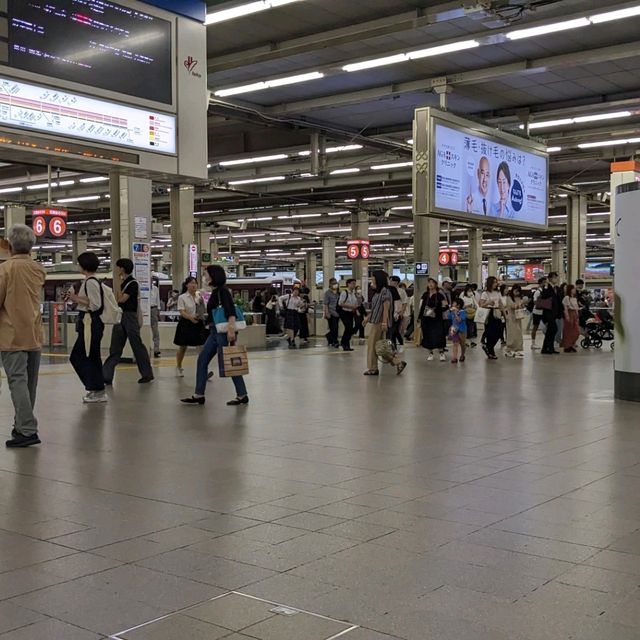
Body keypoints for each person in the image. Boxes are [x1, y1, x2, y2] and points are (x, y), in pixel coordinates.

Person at [0, 224, 46, 447]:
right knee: (29, 384)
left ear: (8, 245)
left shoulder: (5, 270)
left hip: (12, 335)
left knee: (17, 382)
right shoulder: (38, 269)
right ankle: (21, 427)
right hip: (34, 333)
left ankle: (27, 429)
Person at [181, 265, 248, 406]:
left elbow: (231, 312)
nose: (204, 278)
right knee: (203, 359)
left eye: (206, 275)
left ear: (213, 276)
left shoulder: (222, 291)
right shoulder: (216, 292)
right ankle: (199, 394)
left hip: (222, 333)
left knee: (229, 361)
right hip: (213, 332)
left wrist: (230, 329)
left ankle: (242, 394)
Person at [103, 258, 154, 384]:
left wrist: (116, 288)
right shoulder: (124, 282)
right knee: (115, 347)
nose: (116, 270)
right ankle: (106, 376)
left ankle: (147, 373)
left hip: (129, 317)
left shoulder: (132, 283)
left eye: (118, 267)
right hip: (122, 317)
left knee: (137, 345)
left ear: (122, 268)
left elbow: (121, 300)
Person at [67, 252, 108, 403]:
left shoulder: (90, 282)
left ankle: (97, 389)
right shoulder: (90, 281)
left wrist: (74, 298)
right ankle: (94, 387)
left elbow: (95, 304)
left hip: (91, 322)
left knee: (84, 356)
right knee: (88, 355)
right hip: (89, 322)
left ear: (84, 265)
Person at [363, 271, 406, 376]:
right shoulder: (378, 292)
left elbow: (386, 308)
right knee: (382, 347)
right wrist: (368, 318)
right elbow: (376, 308)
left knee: (372, 346)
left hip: (380, 323)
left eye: (373, 277)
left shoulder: (385, 291)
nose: (372, 279)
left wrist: (384, 322)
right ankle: (398, 362)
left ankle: (373, 368)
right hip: (376, 321)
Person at [174, 276, 207, 376]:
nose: (194, 285)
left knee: (201, 347)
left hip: (198, 323)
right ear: (187, 285)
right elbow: (181, 311)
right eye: (191, 283)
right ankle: (179, 366)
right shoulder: (182, 297)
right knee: (183, 347)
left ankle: (203, 369)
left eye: (195, 283)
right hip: (186, 323)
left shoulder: (199, 296)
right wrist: (190, 317)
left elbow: (203, 309)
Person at [418, 277, 448, 361]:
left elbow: (446, 306)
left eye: (432, 282)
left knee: (439, 335)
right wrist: (419, 318)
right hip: (426, 319)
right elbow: (421, 307)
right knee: (427, 336)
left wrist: (436, 310)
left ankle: (441, 353)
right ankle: (430, 353)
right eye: (429, 283)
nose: (430, 284)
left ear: (436, 284)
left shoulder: (440, 295)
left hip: (437, 319)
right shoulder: (425, 294)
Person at [480, 276, 502, 360]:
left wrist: (504, 313)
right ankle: (491, 352)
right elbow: (481, 305)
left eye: (496, 282)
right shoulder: (485, 293)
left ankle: (487, 347)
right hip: (489, 313)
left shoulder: (498, 293)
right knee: (490, 333)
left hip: (497, 312)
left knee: (499, 331)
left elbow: (500, 304)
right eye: (494, 282)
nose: (496, 284)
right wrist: (488, 302)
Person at [540, 272, 561, 355]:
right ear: (550, 278)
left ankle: (548, 348)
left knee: (551, 330)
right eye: (554, 277)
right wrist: (546, 286)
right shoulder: (547, 287)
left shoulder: (556, 288)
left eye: (556, 277)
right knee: (553, 329)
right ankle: (547, 348)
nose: (556, 279)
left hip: (554, 312)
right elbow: (544, 296)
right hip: (548, 312)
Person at [504, 284, 525, 358]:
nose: (516, 293)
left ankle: (518, 349)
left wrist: (522, 304)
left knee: (519, 333)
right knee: (512, 334)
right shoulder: (509, 298)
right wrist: (518, 305)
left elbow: (521, 305)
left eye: (518, 291)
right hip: (511, 318)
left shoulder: (520, 298)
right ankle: (509, 349)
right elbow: (512, 306)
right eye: (515, 291)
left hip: (518, 317)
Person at [338, 278, 358, 351]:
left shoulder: (353, 294)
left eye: (355, 283)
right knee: (348, 327)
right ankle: (344, 342)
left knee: (349, 328)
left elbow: (355, 304)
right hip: (344, 312)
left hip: (351, 313)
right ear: (348, 284)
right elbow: (340, 303)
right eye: (352, 283)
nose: (354, 285)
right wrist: (351, 306)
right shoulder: (344, 292)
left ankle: (346, 344)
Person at [388, 276, 406, 352]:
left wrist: (401, 312)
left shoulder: (401, 291)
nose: (390, 282)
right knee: (391, 332)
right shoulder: (388, 290)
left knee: (395, 330)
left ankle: (401, 344)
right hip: (390, 314)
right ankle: (394, 348)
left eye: (391, 281)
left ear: (396, 282)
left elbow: (404, 303)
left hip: (398, 314)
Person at [447, 298, 467, 364]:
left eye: (454, 303)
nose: (452, 304)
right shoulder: (452, 311)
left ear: (458, 305)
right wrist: (449, 311)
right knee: (455, 344)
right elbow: (448, 317)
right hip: (454, 329)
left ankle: (462, 355)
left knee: (462, 344)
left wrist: (455, 313)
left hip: (461, 330)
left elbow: (459, 320)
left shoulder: (462, 312)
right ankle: (454, 357)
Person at [561, 284, 580, 353]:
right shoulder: (566, 298)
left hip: (575, 315)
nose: (574, 290)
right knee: (568, 331)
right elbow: (565, 308)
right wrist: (567, 317)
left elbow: (577, 308)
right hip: (569, 314)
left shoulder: (574, 298)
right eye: (573, 289)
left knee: (576, 331)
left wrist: (577, 316)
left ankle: (571, 344)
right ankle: (567, 346)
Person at [530, 277, 547, 350]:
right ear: (541, 283)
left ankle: (547, 341)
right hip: (537, 312)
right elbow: (535, 302)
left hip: (543, 312)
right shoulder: (537, 292)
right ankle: (533, 343)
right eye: (544, 282)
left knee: (546, 327)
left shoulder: (545, 291)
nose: (545, 284)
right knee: (535, 327)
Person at [323, 278, 340, 348]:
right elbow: (326, 304)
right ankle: (335, 341)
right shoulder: (327, 293)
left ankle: (329, 337)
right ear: (330, 284)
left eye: (336, 283)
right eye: (333, 283)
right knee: (334, 328)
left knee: (335, 328)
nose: (335, 284)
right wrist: (327, 313)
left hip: (338, 313)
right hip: (331, 312)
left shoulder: (339, 292)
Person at [150, 278, 161, 357]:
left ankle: (156, 349)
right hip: (145, 309)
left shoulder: (155, 289)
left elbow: (158, 300)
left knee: (155, 330)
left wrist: (158, 311)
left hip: (153, 308)